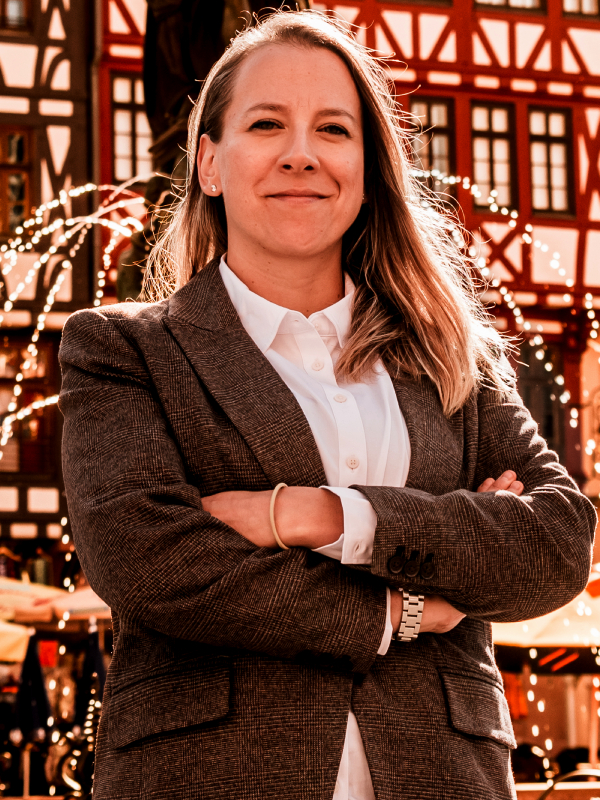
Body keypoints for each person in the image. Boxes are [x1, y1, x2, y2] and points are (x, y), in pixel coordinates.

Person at [58, 10, 596, 800]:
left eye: (334, 129)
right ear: (209, 162)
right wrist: (406, 609)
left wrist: (322, 517)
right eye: (267, 123)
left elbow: (556, 542)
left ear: (370, 167)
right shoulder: (123, 349)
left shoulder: (449, 354)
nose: (301, 154)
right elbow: (155, 565)